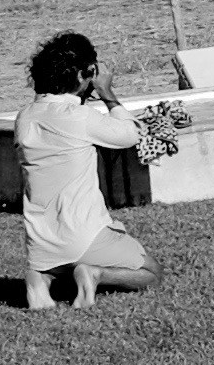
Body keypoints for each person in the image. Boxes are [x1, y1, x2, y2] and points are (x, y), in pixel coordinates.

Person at [14, 33, 164, 313]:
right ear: (83, 74)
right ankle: (95, 273)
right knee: (152, 273)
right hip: (84, 236)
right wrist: (107, 93)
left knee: (55, 266)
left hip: (41, 244)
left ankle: (40, 279)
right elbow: (130, 134)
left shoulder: (26, 116)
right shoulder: (80, 117)